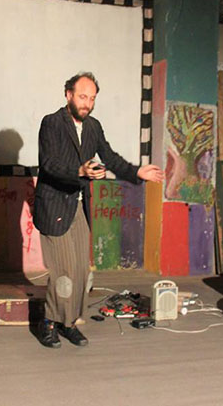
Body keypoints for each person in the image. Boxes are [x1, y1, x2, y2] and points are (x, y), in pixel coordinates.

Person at [33, 72, 163, 348]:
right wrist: (79, 171)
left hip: (79, 205)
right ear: (68, 94)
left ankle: (69, 323)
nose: (87, 103)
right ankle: (49, 322)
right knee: (64, 273)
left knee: (82, 272)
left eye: (92, 98)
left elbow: (110, 157)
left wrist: (137, 171)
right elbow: (49, 164)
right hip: (54, 205)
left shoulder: (93, 126)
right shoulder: (52, 123)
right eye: (83, 97)